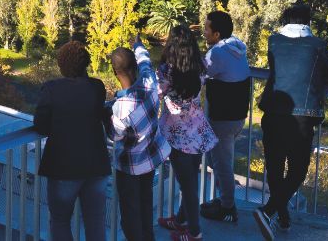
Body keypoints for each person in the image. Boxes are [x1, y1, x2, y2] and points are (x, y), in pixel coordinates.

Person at [254, 5, 328, 241]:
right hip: (303, 114)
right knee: (298, 169)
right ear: (308, 22)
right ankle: (271, 211)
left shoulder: (273, 41)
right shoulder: (318, 45)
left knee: (275, 165)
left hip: (273, 110)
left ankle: (278, 215)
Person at [35, 41, 110, 241]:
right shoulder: (97, 87)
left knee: (60, 221)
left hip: (63, 168)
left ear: (62, 65)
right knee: (95, 221)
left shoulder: (51, 89)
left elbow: (41, 126)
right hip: (96, 165)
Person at [157, 26, 218, 240]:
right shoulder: (200, 65)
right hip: (197, 129)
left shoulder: (167, 71)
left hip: (177, 134)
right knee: (190, 178)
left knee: (188, 186)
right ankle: (181, 220)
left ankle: (194, 233)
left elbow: (157, 92)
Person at [110, 33, 171, 241]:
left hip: (130, 167)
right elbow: (145, 61)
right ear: (134, 68)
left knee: (129, 214)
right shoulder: (149, 82)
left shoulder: (120, 107)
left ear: (115, 72)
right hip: (150, 161)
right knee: (146, 203)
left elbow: (115, 136)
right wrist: (138, 45)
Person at [201, 11, 251, 224]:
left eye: (206, 29)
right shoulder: (237, 47)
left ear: (217, 33)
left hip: (222, 117)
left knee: (221, 164)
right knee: (217, 159)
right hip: (237, 115)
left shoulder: (217, 54)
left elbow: (199, 76)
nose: (203, 32)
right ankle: (224, 200)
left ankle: (228, 207)